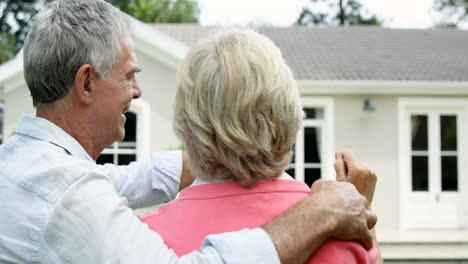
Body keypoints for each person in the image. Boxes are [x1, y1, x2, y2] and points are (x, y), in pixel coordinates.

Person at [0, 0, 377, 263]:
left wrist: (223, 141)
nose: (138, 91)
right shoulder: (67, 195)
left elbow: (134, 178)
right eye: (129, 76)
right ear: (85, 83)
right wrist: (321, 212)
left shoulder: (30, 164)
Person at [139, 30, 380, 263]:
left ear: (186, 121)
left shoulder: (142, 241)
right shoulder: (345, 232)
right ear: (288, 115)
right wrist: (363, 210)